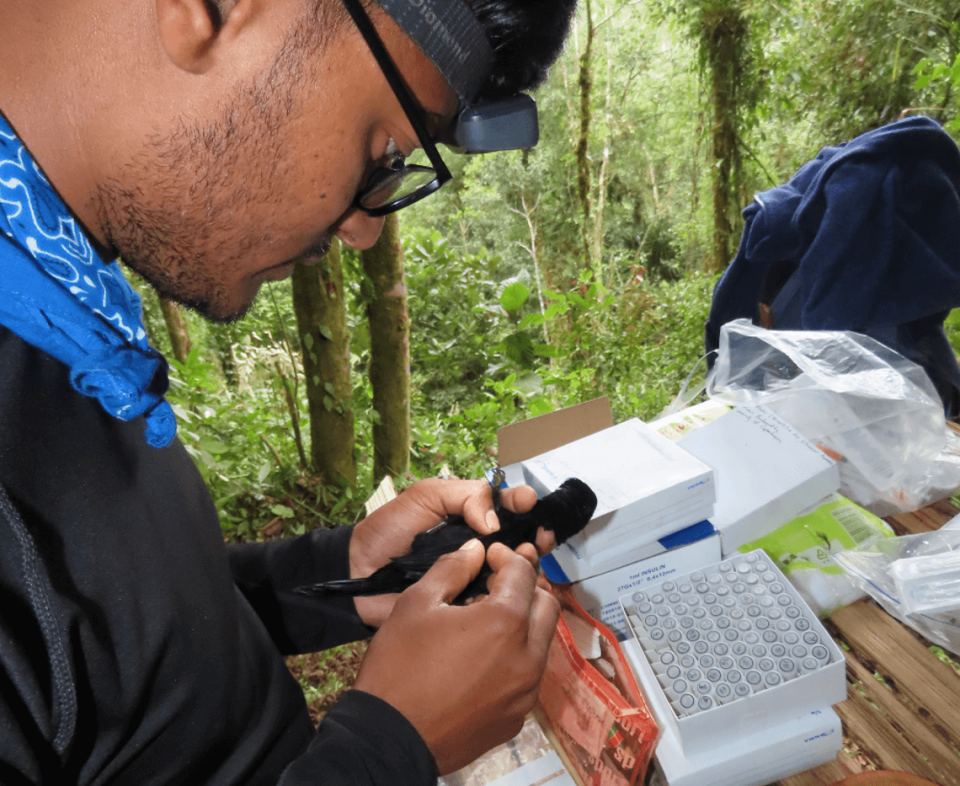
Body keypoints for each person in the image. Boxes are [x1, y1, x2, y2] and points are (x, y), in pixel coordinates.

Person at [0, 0, 575, 782]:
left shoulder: (55, 298)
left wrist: (336, 578)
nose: (365, 228)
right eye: (384, 153)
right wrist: (384, 751)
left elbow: (100, 636)